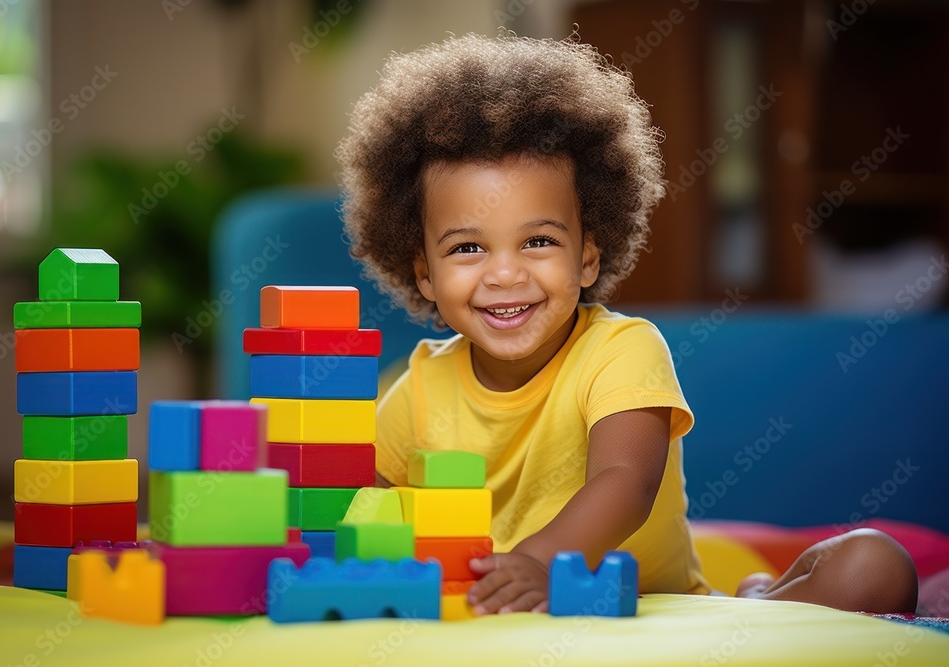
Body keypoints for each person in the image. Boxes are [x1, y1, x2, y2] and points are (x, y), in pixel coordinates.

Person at [335, 31, 918, 616]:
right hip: (497, 621)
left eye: (538, 241)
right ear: (426, 274)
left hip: (656, 618)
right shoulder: (416, 390)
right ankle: (764, 596)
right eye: (467, 249)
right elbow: (362, 508)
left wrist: (541, 563)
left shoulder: (621, 349)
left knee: (875, 564)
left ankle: (762, 601)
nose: (505, 274)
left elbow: (625, 481)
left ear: (587, 256)